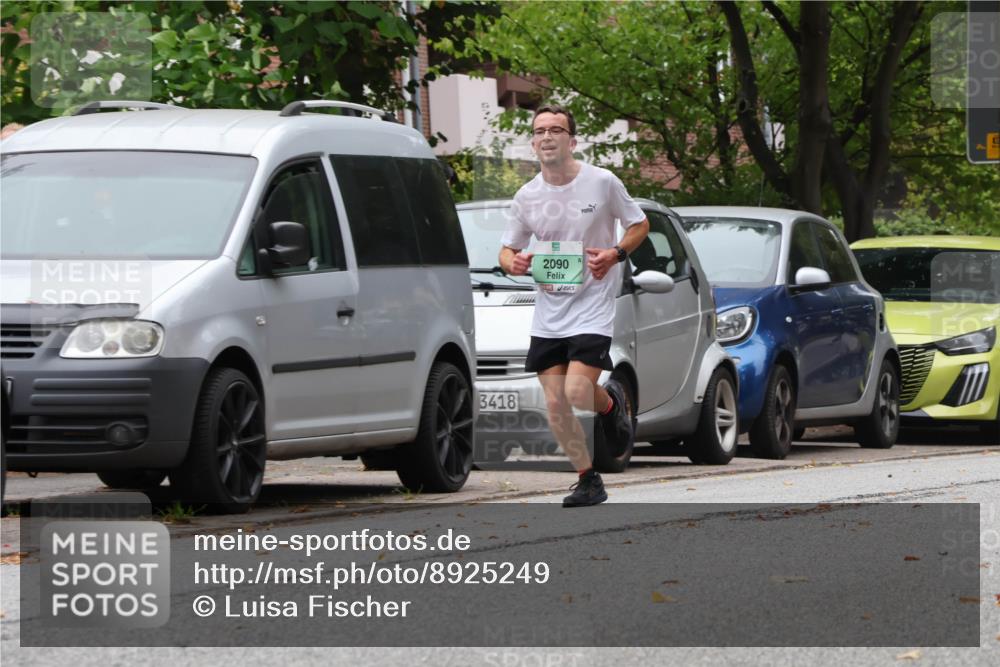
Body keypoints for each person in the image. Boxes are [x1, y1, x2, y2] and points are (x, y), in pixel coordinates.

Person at [498, 104, 649, 507]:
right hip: (549, 311)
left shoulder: (602, 183)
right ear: (533, 143)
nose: (547, 136)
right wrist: (513, 262)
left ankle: (611, 403)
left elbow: (639, 224)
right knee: (553, 401)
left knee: (579, 392)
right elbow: (507, 250)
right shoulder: (527, 196)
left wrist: (615, 254)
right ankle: (587, 479)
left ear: (572, 140)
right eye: (539, 131)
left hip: (593, 305)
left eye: (555, 130)